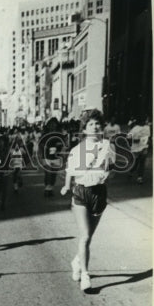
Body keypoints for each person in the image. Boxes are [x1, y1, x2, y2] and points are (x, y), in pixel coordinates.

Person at [61, 109, 116, 293]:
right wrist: (67, 186)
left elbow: (111, 166)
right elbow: (70, 170)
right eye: (90, 124)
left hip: (99, 194)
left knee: (89, 237)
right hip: (81, 193)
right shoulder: (78, 149)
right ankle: (85, 275)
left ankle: (77, 261)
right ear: (84, 129)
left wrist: (106, 174)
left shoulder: (108, 145)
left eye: (97, 123)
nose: (95, 126)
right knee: (84, 236)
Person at [41, 116, 65, 196]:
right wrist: (45, 146)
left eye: (54, 124)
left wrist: (59, 146)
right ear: (48, 125)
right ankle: (47, 189)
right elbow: (41, 143)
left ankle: (50, 188)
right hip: (46, 156)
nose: (52, 126)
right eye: (51, 124)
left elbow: (63, 143)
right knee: (48, 172)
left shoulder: (59, 134)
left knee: (54, 173)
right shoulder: (45, 134)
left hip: (56, 156)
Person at [127, 116, 151, 183]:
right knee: (136, 163)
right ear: (141, 121)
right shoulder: (135, 128)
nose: (146, 122)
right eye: (146, 120)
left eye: (147, 120)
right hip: (136, 148)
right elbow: (128, 137)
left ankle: (140, 177)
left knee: (142, 162)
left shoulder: (147, 127)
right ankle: (131, 172)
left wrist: (148, 141)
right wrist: (135, 140)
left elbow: (148, 137)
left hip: (144, 147)